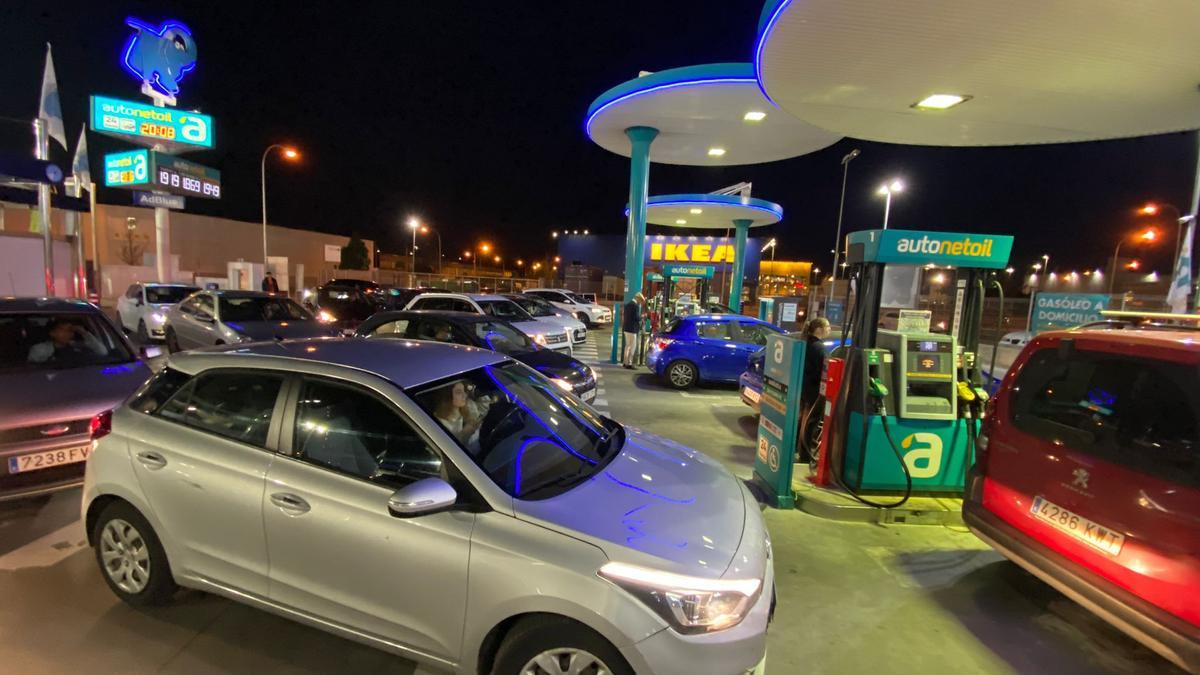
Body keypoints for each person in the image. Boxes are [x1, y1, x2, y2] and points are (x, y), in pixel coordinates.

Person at [27, 319, 108, 364]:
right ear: (52, 333)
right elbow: (33, 368)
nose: (69, 333)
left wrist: (84, 333)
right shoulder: (39, 349)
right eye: (64, 330)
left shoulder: (79, 346)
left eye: (70, 330)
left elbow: (103, 352)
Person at [434, 381, 483, 448]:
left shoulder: (470, 406)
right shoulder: (437, 423)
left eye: (464, 391)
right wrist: (464, 434)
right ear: (448, 396)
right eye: (459, 392)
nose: (464, 395)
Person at [622, 292, 644, 369]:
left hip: (626, 328)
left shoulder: (627, 305)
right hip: (632, 329)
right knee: (632, 347)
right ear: (638, 298)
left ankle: (625, 362)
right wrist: (642, 317)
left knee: (627, 346)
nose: (640, 302)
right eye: (640, 300)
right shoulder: (635, 306)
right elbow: (636, 318)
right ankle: (630, 363)